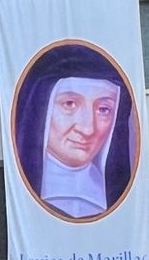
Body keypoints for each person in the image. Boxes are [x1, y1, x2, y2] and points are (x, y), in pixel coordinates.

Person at [12, 42, 136, 220]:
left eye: (103, 109)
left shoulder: (117, 196)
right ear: (41, 109)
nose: (87, 129)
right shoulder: (23, 193)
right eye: (69, 104)